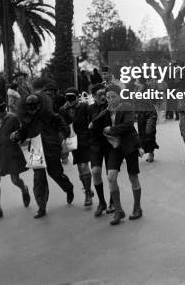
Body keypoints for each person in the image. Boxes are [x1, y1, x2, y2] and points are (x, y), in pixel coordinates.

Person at [11, 92, 74, 218]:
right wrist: (17, 135)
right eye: (29, 106)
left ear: (39, 105)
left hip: (51, 148)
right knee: (39, 178)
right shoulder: (26, 119)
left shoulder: (50, 115)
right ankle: (41, 206)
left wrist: (62, 135)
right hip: (36, 149)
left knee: (55, 173)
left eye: (34, 106)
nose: (32, 109)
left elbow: (63, 126)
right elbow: (24, 132)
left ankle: (68, 188)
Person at [90, 84, 142, 225]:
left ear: (120, 96)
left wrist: (110, 129)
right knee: (111, 177)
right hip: (115, 147)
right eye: (108, 97)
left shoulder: (127, 106)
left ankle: (137, 208)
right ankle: (118, 211)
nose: (110, 99)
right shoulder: (107, 110)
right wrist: (93, 122)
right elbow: (98, 120)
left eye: (113, 96)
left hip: (129, 145)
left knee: (133, 177)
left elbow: (128, 125)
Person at [0, 97, 30, 221]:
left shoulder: (12, 118)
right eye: (0, 109)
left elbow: (22, 134)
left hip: (11, 153)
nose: (3, 110)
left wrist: (17, 136)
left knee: (15, 180)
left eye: (4, 107)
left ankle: (24, 189)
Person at [60, 87, 94, 207]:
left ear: (77, 97)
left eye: (72, 97)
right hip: (71, 141)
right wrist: (63, 140)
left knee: (84, 165)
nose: (70, 100)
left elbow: (92, 120)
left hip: (84, 140)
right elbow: (62, 126)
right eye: (67, 98)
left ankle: (88, 194)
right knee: (80, 168)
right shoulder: (62, 110)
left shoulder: (84, 107)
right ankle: (87, 188)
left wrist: (91, 134)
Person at [88, 83, 113, 217]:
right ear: (93, 96)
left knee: (111, 175)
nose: (103, 96)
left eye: (104, 93)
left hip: (110, 143)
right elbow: (85, 126)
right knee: (96, 171)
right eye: (99, 94)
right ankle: (102, 202)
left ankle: (112, 201)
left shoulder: (112, 106)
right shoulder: (89, 108)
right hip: (95, 143)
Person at [133, 78, 159, 162]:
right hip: (141, 114)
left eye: (137, 81)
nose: (135, 82)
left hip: (151, 113)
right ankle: (147, 150)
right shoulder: (136, 90)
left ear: (141, 82)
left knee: (149, 132)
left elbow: (156, 100)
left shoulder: (150, 89)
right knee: (142, 134)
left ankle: (151, 152)